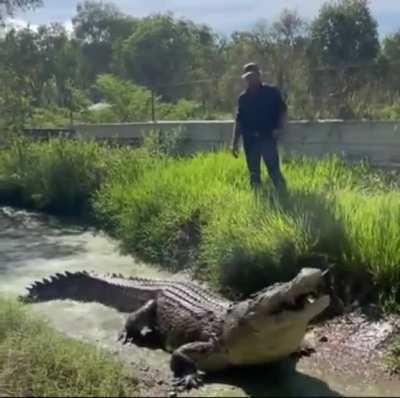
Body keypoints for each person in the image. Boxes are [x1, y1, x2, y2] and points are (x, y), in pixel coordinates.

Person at [231, 62, 287, 193]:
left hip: (267, 137)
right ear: (244, 78)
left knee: (274, 170)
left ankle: (284, 196)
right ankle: (258, 199)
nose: (250, 79)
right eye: (247, 77)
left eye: (253, 76)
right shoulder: (243, 98)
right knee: (254, 173)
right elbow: (239, 121)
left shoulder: (271, 92)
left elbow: (283, 111)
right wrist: (234, 143)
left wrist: (279, 129)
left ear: (259, 75)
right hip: (250, 140)